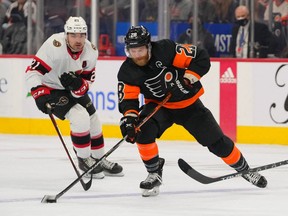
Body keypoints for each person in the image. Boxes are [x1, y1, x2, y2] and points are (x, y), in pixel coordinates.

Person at [117, 25, 267, 197]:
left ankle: (246, 170)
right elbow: (128, 99)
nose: (137, 56)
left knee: (217, 143)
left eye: (141, 50)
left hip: (188, 105)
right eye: (132, 51)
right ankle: (154, 173)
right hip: (160, 106)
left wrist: (187, 80)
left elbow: (201, 57)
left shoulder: (166, 49)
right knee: (140, 130)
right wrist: (129, 120)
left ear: (149, 46)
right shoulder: (127, 71)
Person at [25, 16, 124, 179]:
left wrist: (78, 86)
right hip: (50, 88)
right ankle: (84, 159)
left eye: (82, 35)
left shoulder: (91, 51)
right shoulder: (53, 45)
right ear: (66, 35)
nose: (78, 40)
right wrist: (39, 94)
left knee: (93, 118)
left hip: (69, 89)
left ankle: (99, 158)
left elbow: (87, 81)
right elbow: (32, 72)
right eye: (73, 35)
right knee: (80, 116)